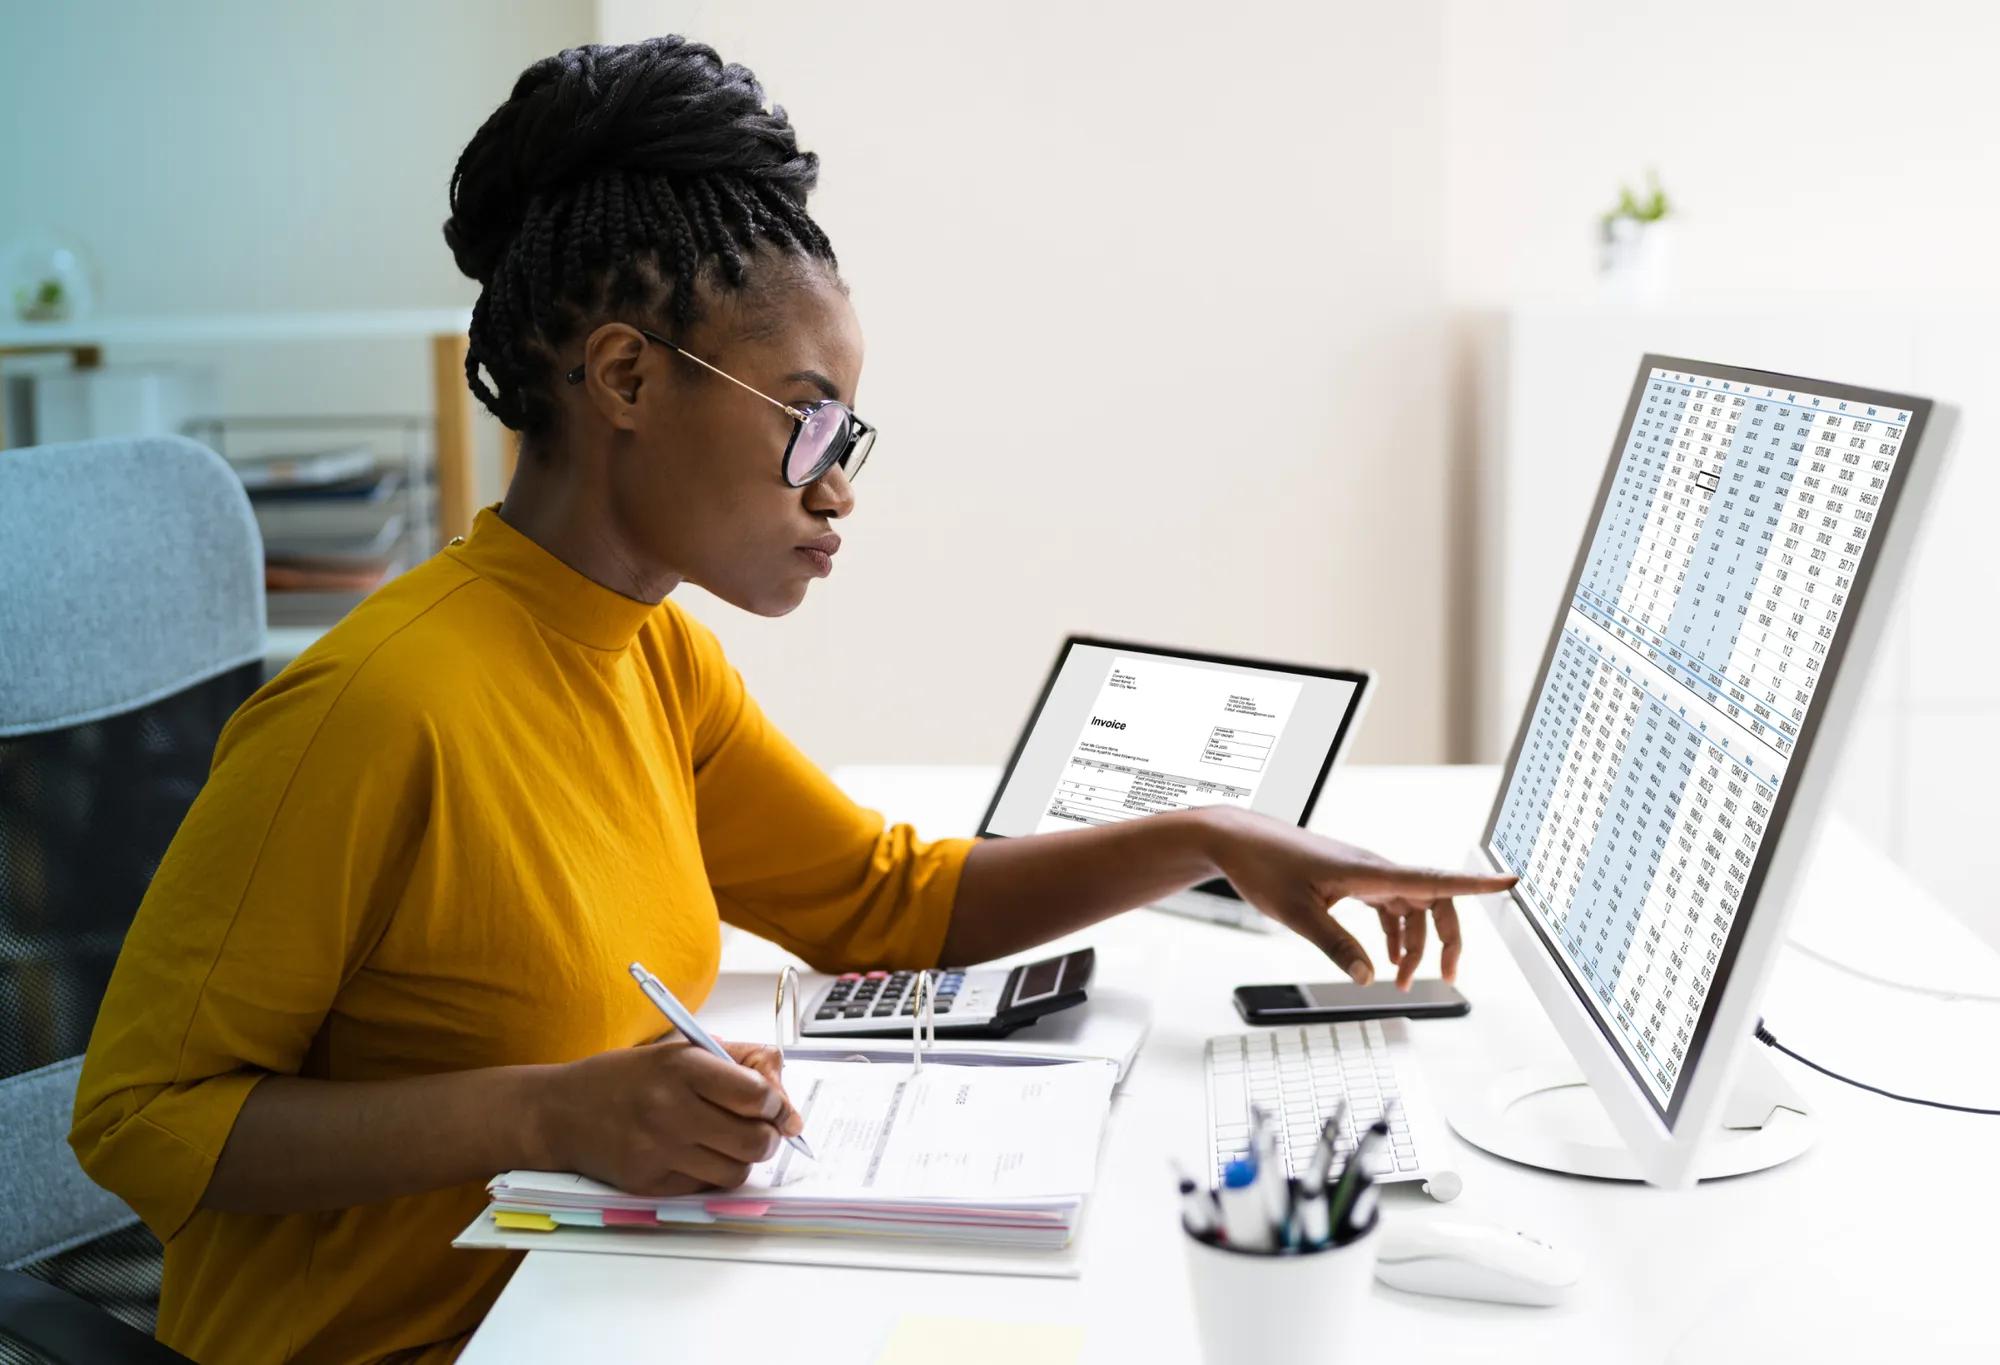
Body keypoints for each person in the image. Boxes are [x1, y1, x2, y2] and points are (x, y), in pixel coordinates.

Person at [70, 36, 1513, 1364]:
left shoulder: (654, 659)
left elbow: (889, 904)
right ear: (625, 377)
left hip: (592, 1308)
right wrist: (550, 1110)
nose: (838, 486)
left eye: (850, 432)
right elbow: (140, 1121)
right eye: (807, 418)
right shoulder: (372, 711)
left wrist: (1209, 833)